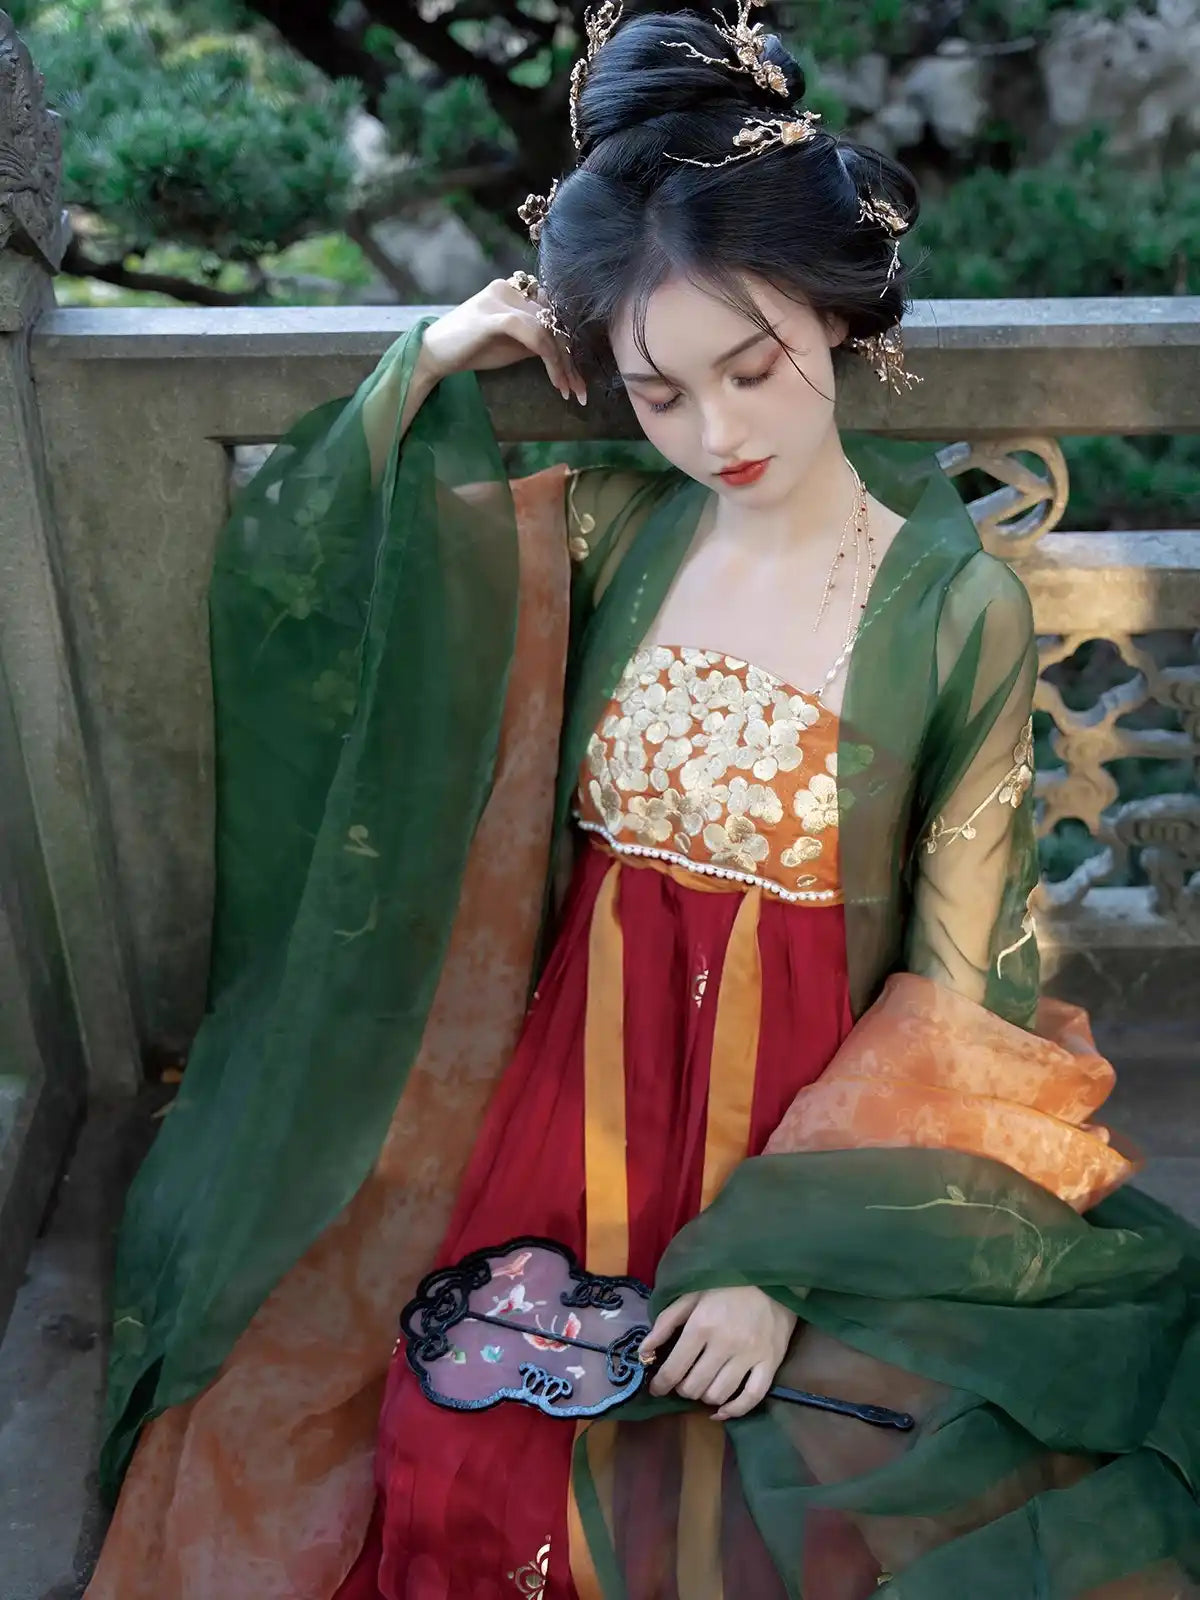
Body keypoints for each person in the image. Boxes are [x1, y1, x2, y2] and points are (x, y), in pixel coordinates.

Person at [87, 6, 1200, 1599]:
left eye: (751, 366)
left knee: (782, 1482)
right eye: (657, 393)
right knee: (458, 1435)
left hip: (811, 1116)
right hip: (579, 1072)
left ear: (834, 310)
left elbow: (963, 986)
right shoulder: (614, 534)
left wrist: (770, 1261)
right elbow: (344, 600)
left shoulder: (951, 606)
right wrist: (424, 367)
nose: (717, 433)